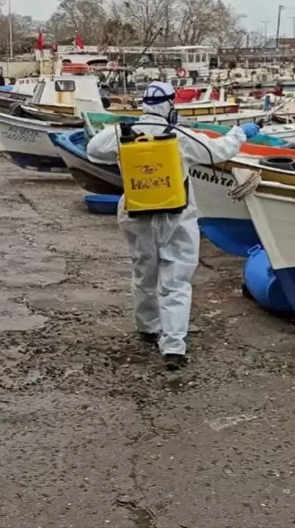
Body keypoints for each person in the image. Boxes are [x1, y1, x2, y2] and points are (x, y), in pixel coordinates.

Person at [87, 82, 258, 370]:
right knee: (176, 281)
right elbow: (219, 150)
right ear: (170, 106)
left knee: (144, 272)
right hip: (176, 217)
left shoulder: (121, 134)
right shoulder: (180, 136)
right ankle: (173, 347)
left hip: (137, 214)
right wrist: (241, 132)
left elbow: (93, 150)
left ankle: (148, 326)